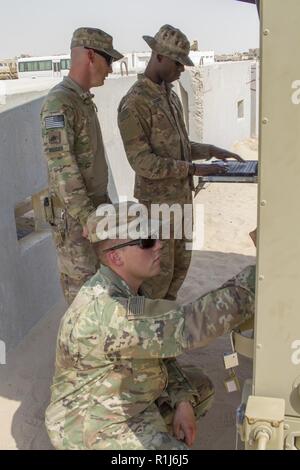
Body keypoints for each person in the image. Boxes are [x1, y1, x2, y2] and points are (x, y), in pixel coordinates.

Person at [45, 201, 256, 450]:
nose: (159, 245)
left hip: (119, 398)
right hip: (89, 426)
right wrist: (260, 275)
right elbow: (191, 324)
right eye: (146, 241)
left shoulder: (123, 287)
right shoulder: (109, 312)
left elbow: (158, 351)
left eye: (155, 236)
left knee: (199, 388)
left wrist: (182, 400)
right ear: (115, 256)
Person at [118, 24, 244, 301]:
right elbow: (142, 162)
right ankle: (144, 336)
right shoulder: (135, 102)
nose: (182, 70)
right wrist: (194, 169)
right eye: (177, 63)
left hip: (181, 204)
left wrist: (211, 150)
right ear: (158, 57)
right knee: (154, 280)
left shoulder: (170, 95)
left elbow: (180, 148)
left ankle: (164, 330)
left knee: (178, 273)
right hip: (157, 210)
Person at [40, 27, 123, 304]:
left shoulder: (81, 99)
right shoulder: (59, 101)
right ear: (90, 55)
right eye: (108, 59)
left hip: (94, 211)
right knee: (84, 300)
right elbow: (62, 167)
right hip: (77, 220)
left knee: (105, 291)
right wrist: (89, 216)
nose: (111, 69)